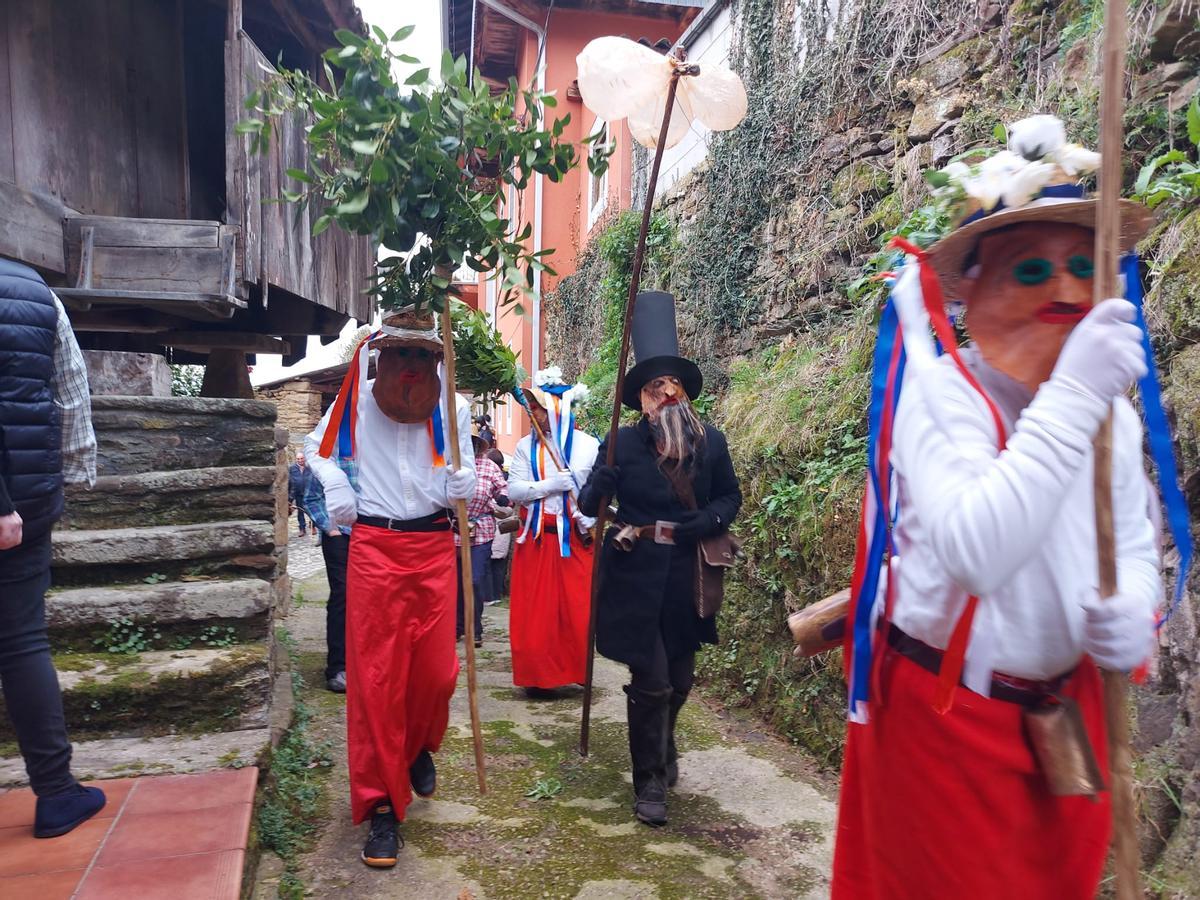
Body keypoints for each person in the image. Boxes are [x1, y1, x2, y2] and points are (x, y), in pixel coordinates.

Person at [831, 116, 1163, 899]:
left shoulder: (1111, 411)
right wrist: (1078, 392)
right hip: (950, 732)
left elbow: (1137, 539)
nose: (1064, 290)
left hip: (1068, 722)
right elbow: (978, 551)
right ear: (974, 284)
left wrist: (1138, 606)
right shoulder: (943, 395)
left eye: (1084, 266)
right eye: (1031, 268)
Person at [304, 308, 475, 869]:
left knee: (436, 673)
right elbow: (315, 448)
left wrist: (462, 486)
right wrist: (334, 485)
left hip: (433, 551)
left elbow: (464, 481)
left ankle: (418, 744)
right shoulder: (354, 401)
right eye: (398, 353)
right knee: (376, 681)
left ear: (435, 358)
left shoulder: (455, 409)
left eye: (420, 354)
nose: (408, 365)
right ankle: (382, 809)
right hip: (374, 549)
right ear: (379, 357)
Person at [579, 293, 741, 827]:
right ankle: (648, 778)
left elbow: (728, 499)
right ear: (642, 401)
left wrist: (710, 521)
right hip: (634, 574)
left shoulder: (711, 443)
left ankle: (664, 740)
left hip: (687, 577)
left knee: (682, 680)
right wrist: (598, 484)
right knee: (650, 681)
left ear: (685, 395)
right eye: (654, 387)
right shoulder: (620, 445)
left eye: (672, 385)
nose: (666, 394)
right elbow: (587, 508)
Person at [0, 258, 107, 838]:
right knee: (20, 645)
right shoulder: (36, 293)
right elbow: (70, 391)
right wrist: (66, 476)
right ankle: (56, 793)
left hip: (15, 505)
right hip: (20, 505)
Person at [508, 368, 599, 695]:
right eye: (532, 408)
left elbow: (601, 492)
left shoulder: (589, 446)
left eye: (540, 408)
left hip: (575, 540)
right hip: (536, 540)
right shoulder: (523, 447)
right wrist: (549, 485)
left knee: (577, 611)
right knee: (536, 617)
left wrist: (591, 518)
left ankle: (577, 671)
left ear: (559, 408)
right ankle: (538, 678)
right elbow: (514, 491)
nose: (535, 415)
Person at [455, 429, 508, 648]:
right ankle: (457, 627)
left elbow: (502, 488)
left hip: (481, 528)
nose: (472, 447)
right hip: (454, 529)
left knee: (475, 579)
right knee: (456, 581)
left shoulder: (489, 467)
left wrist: (503, 497)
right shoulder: (453, 465)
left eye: (475, 444)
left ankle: (475, 628)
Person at [304, 467, 350, 693]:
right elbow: (312, 497)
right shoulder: (327, 456)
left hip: (373, 535)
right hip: (340, 535)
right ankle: (338, 667)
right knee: (343, 594)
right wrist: (331, 529)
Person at [288, 450, 312, 536]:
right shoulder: (292, 468)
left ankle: (313, 525)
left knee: (311, 510)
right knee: (300, 512)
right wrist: (290, 496)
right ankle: (302, 529)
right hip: (298, 494)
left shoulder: (309, 468)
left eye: (301, 458)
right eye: (298, 459)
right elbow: (289, 481)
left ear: (304, 458)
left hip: (308, 493)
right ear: (296, 459)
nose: (300, 460)